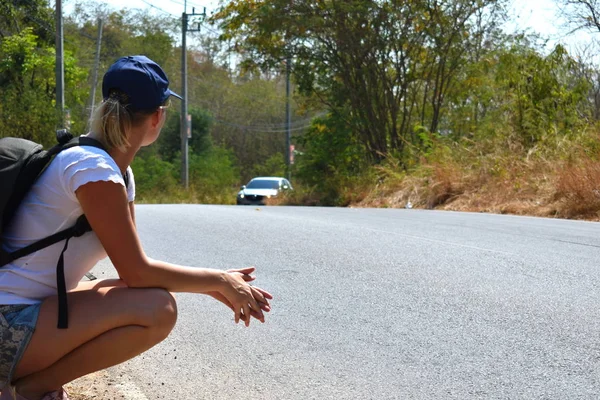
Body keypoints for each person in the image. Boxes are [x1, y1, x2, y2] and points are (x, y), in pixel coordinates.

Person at [0, 55, 272, 400]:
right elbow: (139, 271)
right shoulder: (92, 170)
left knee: (127, 290)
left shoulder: (113, 171)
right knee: (158, 310)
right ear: (157, 117)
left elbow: (132, 273)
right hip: (8, 320)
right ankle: (30, 391)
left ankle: (32, 385)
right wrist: (217, 280)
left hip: (20, 313)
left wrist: (216, 284)